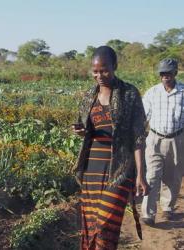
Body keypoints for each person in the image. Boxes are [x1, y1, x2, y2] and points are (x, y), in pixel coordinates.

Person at [72, 46, 149, 250]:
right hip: (92, 170)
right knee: (91, 226)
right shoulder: (89, 95)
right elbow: (86, 128)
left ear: (115, 66)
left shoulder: (129, 94)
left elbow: (138, 137)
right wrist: (82, 132)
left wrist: (141, 175)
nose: (99, 75)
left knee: (105, 224)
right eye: (95, 71)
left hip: (120, 171)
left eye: (104, 70)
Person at [141, 58, 184, 226]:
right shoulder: (152, 92)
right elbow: (144, 116)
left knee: (173, 176)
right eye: (162, 74)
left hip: (178, 139)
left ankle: (167, 208)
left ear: (175, 73)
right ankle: (148, 214)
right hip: (154, 139)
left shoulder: (183, 92)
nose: (165, 76)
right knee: (152, 176)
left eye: (168, 73)